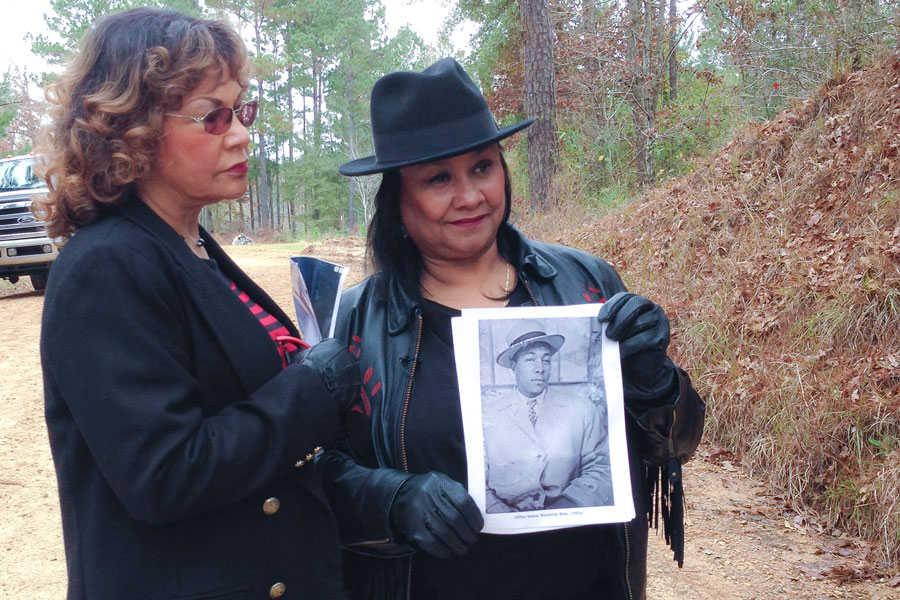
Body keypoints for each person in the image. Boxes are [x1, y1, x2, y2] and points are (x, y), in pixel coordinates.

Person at [321, 57, 705, 599]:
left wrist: (653, 380)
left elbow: (674, 445)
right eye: (438, 179)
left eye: (482, 167)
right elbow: (321, 471)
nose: (471, 196)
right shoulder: (360, 319)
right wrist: (392, 499)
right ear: (397, 200)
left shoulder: (586, 284)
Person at [35, 9, 358, 600]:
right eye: (212, 116)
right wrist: (311, 390)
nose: (240, 134)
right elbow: (163, 474)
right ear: (133, 129)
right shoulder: (105, 267)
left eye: (241, 110)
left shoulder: (191, 245)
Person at [483, 320, 612, 513]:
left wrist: (568, 506)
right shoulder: (487, 416)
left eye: (545, 359)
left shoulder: (582, 409)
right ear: (513, 366)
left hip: (569, 520)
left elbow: (601, 467)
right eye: (529, 359)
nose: (540, 368)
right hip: (505, 524)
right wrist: (503, 516)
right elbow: (478, 481)